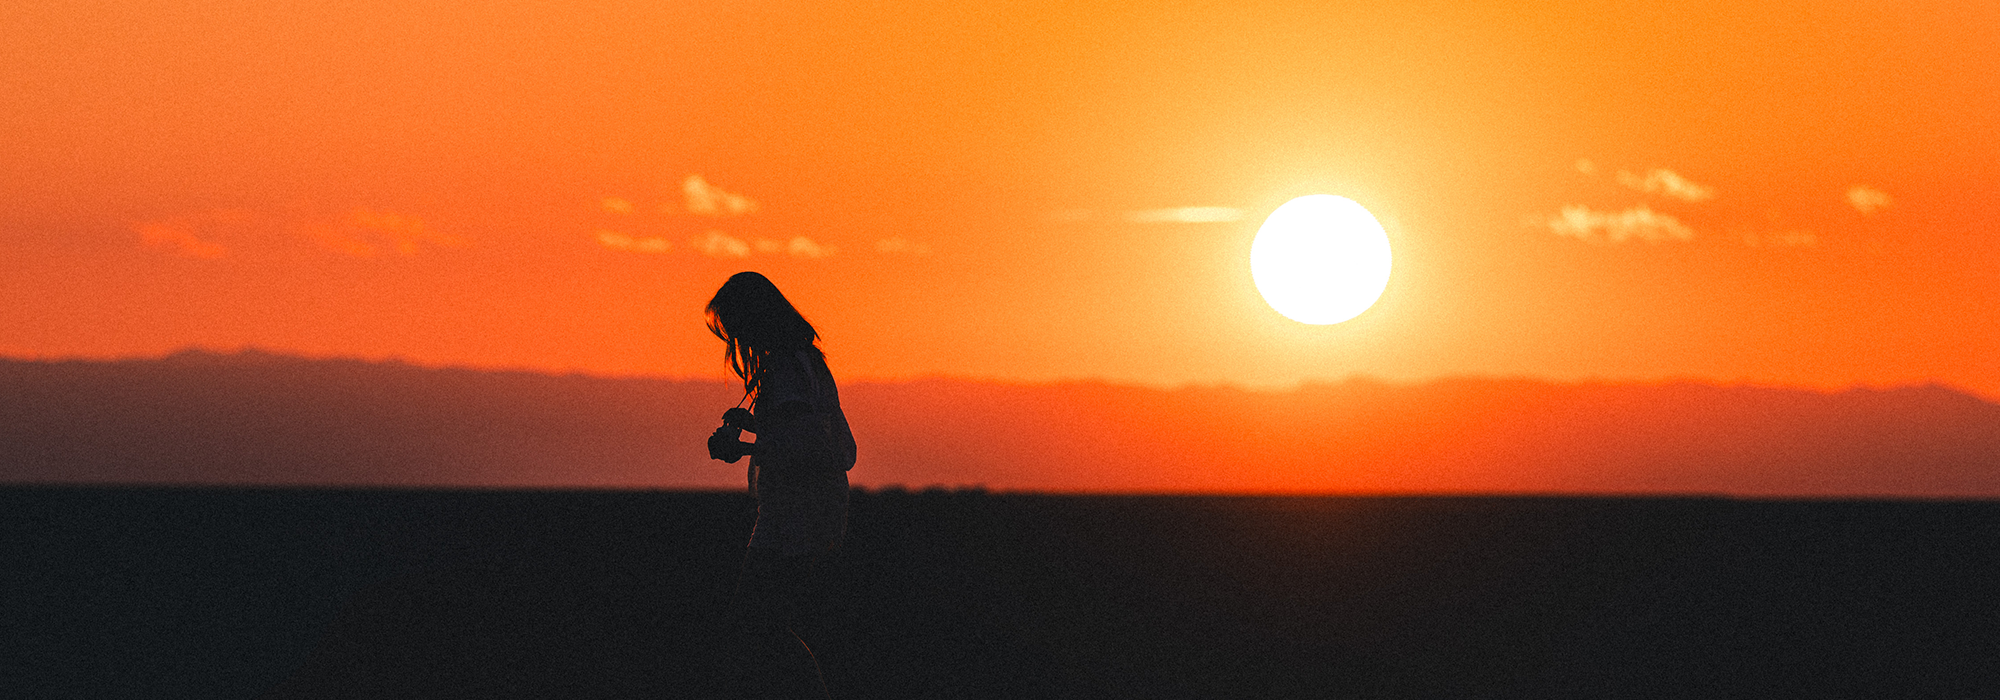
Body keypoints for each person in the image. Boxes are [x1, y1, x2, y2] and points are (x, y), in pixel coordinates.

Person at [704, 271, 857, 700]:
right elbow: (801, 433)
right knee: (767, 626)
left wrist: (744, 448)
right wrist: (756, 430)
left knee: (755, 627)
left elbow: (798, 445)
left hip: (796, 514)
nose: (733, 339)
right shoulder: (805, 361)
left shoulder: (786, 369)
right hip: (809, 510)